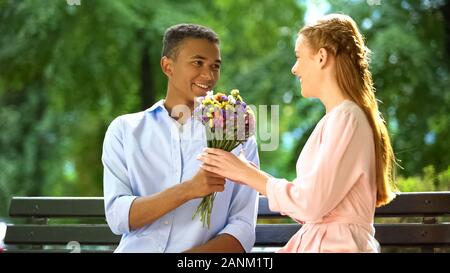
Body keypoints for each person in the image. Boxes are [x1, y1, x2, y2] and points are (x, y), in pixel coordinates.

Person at [198, 14, 398, 253]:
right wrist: (249, 174)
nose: (294, 69)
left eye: (299, 57)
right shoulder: (338, 118)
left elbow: (312, 204)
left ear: (322, 57)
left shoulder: (347, 117)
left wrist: (250, 176)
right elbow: (317, 208)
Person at [102, 24, 259, 253]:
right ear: (168, 66)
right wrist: (188, 190)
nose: (208, 75)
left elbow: (243, 228)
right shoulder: (125, 130)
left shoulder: (237, 136)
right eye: (198, 63)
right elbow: (118, 217)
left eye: (215, 66)